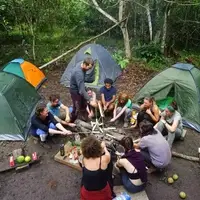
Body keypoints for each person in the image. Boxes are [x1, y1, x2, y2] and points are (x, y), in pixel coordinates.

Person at [80, 136, 113, 200]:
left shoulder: (83, 159)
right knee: (108, 168)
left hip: (87, 193)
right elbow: (108, 154)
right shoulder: (104, 159)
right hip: (102, 194)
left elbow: (82, 152)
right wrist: (104, 148)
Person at [70, 58, 94, 122]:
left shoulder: (82, 65)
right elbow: (81, 90)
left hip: (80, 87)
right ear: (84, 64)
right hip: (75, 91)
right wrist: (90, 99)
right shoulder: (78, 73)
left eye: (90, 68)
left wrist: (86, 90)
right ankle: (72, 121)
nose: (89, 70)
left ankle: (85, 119)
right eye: (88, 68)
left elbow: (81, 84)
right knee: (77, 107)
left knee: (84, 104)